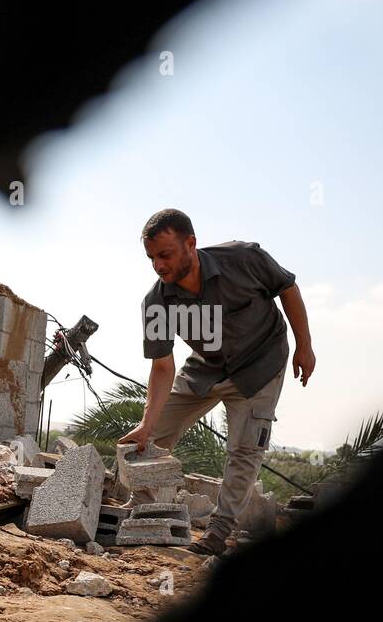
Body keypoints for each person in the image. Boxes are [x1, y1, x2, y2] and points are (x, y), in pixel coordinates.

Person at [117, 208, 315, 556]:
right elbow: (162, 367)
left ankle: (218, 533)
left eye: (165, 255)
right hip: (206, 368)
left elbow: (288, 288)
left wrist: (305, 346)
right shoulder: (156, 302)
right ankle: (140, 507)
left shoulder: (244, 258)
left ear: (190, 244)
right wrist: (147, 423)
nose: (158, 265)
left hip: (260, 366)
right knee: (154, 432)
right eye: (151, 258)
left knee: (244, 448)